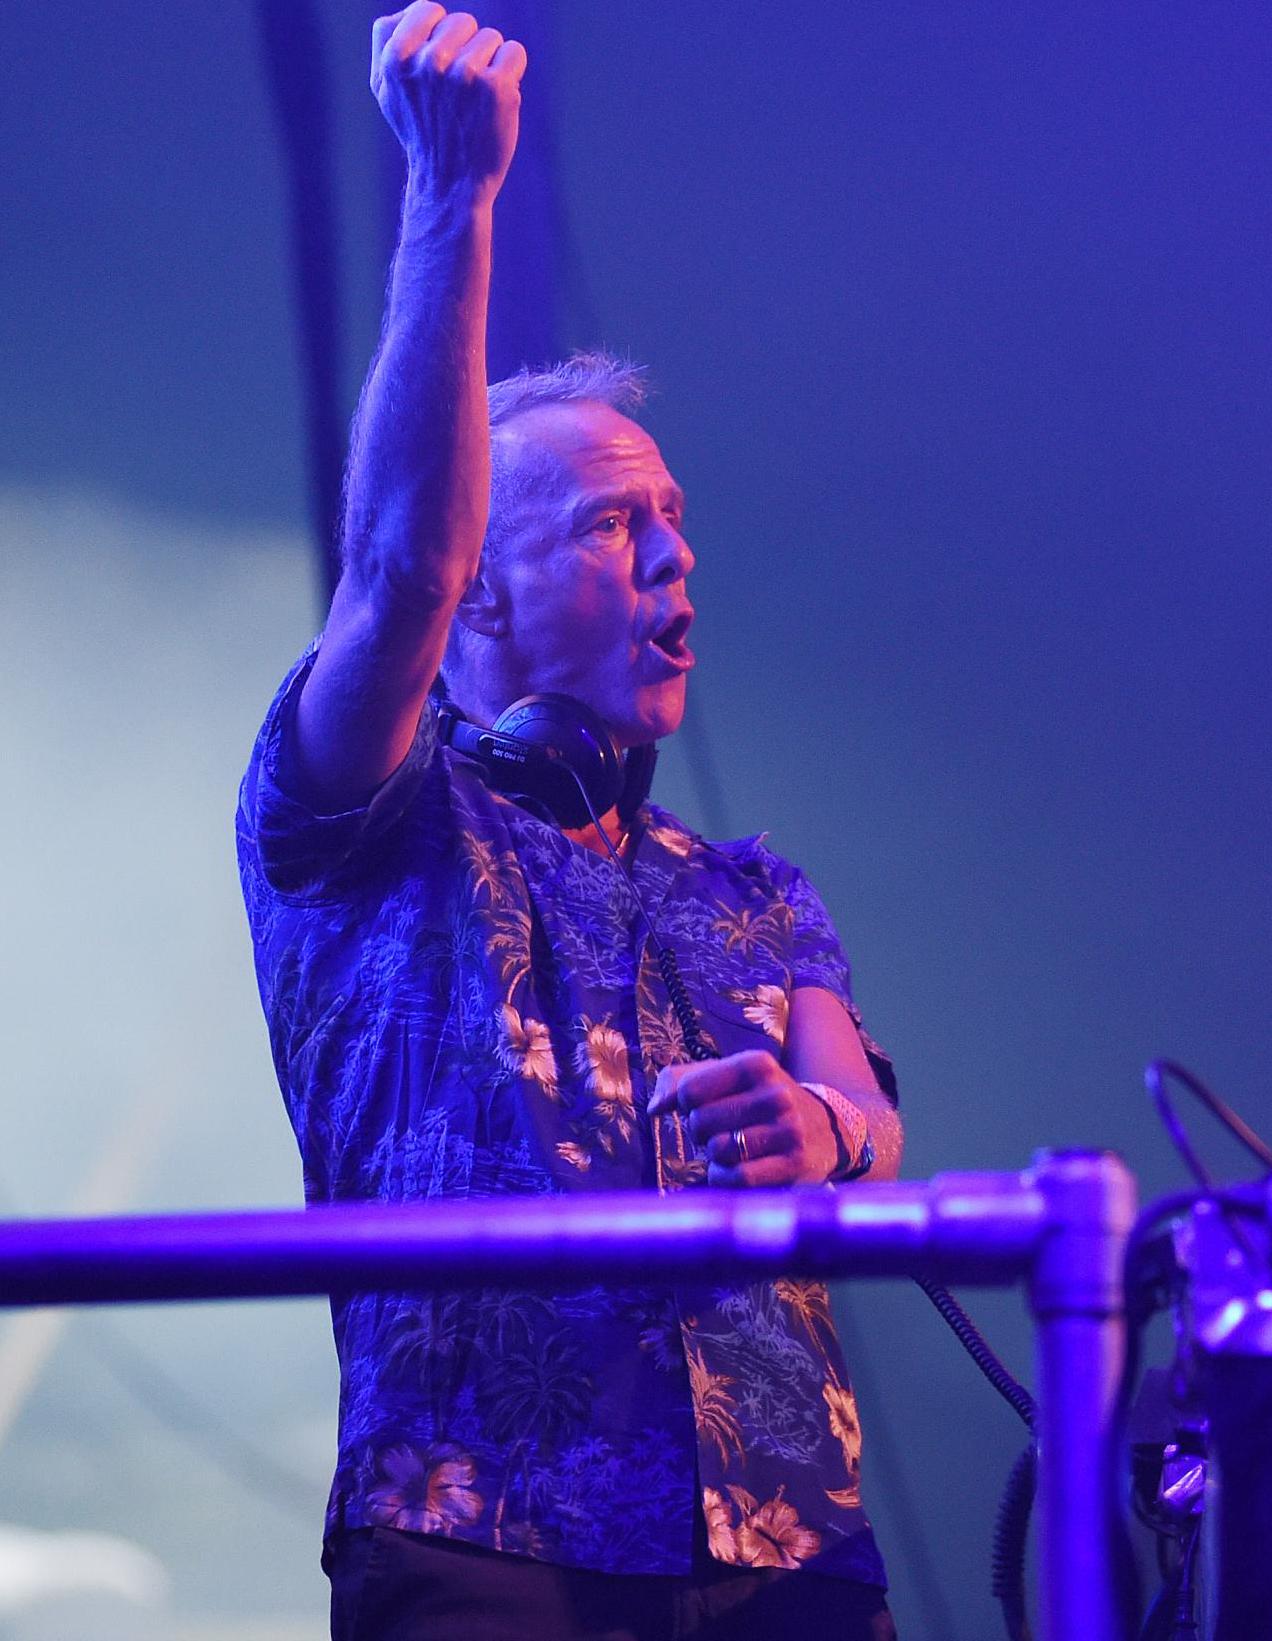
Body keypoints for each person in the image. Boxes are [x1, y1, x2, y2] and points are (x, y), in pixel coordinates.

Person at [235, 7, 902, 1636]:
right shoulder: (367, 812)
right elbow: (395, 567)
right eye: (616, 525)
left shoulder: (748, 886)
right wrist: (450, 198)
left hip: (782, 1550)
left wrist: (822, 1134)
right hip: (484, 1535)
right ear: (491, 598)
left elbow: (861, 1116)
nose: (677, 562)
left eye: (676, 521)